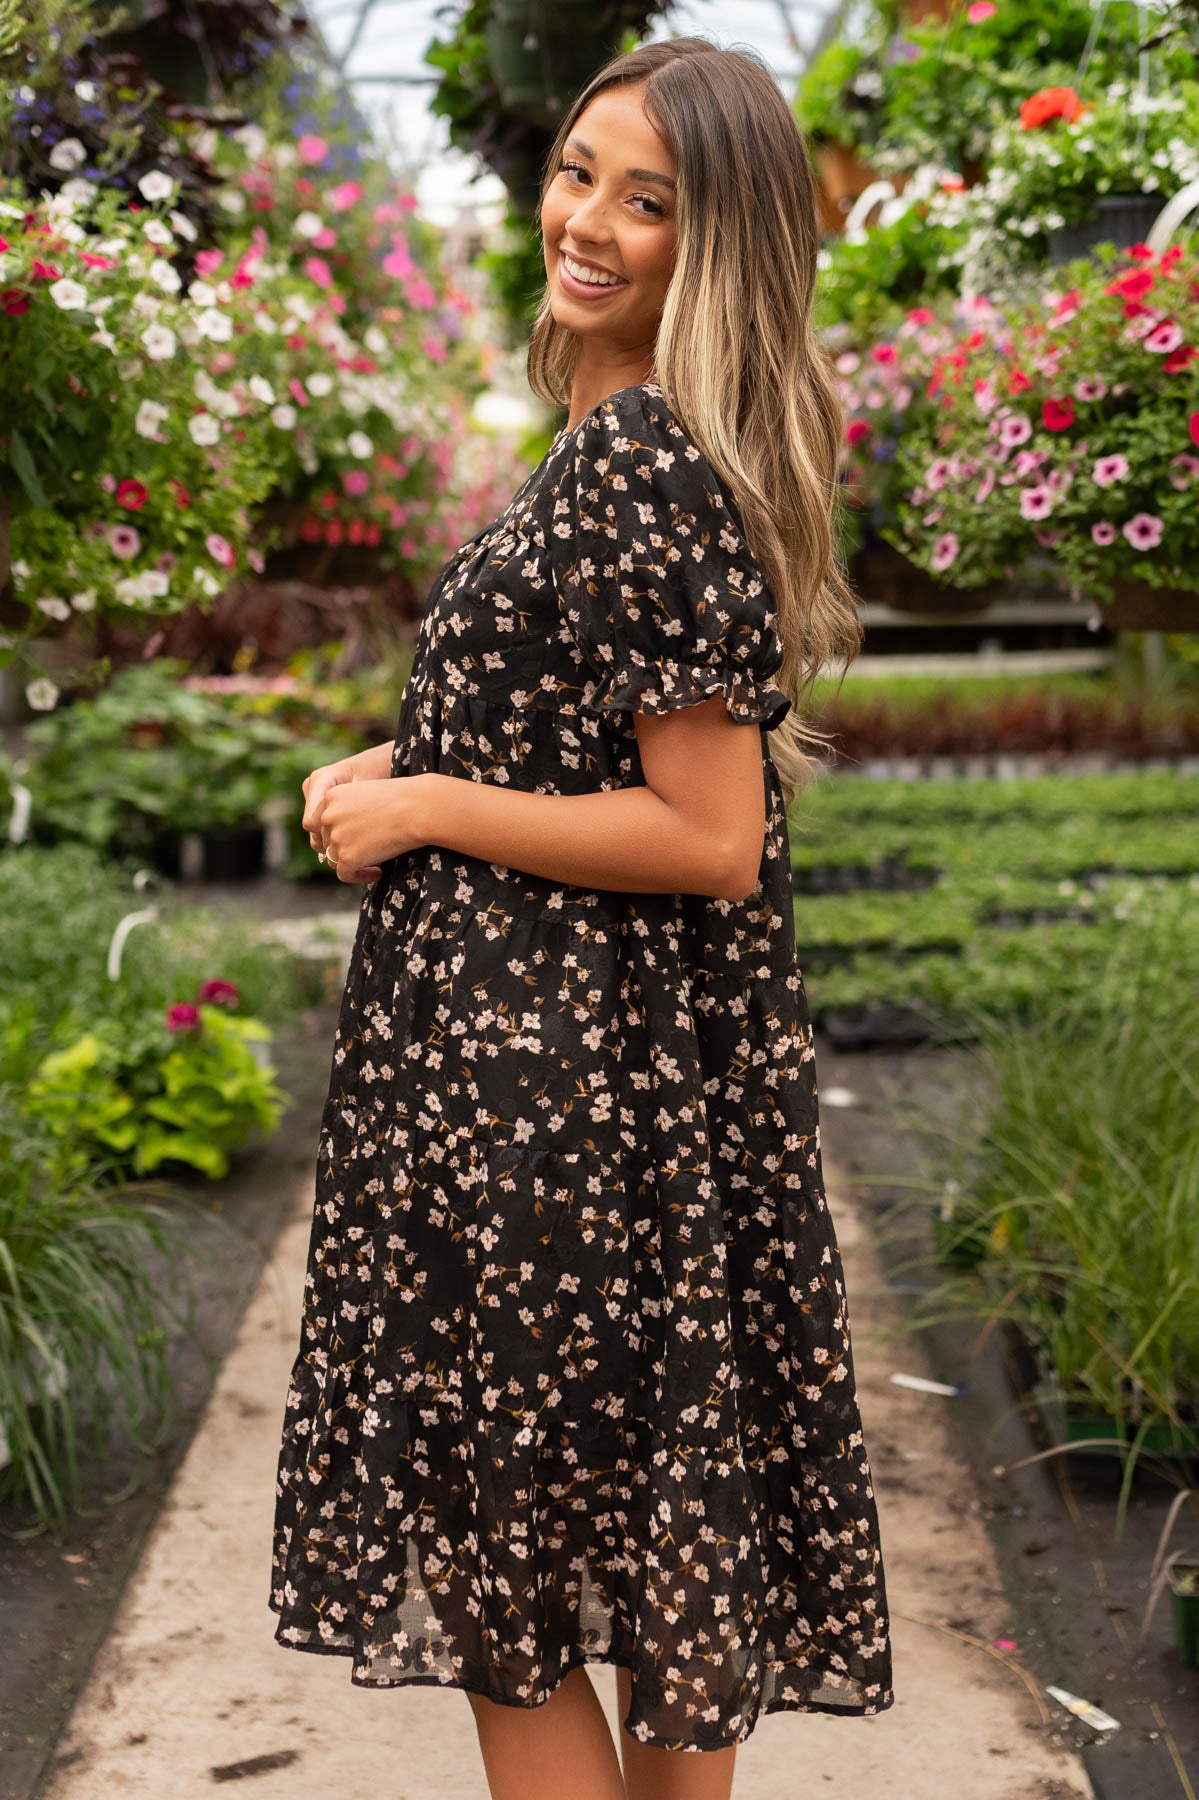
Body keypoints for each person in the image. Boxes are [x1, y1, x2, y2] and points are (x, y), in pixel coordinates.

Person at [269, 33, 893, 1800]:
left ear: (727, 245)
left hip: (541, 1102)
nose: (591, 222)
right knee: (645, 1565)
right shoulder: (635, 447)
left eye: (652, 200)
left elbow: (706, 829)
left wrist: (423, 805)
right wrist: (419, 753)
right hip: (580, 1088)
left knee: (513, 1592)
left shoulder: (638, 463)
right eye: (578, 172)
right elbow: (603, 735)